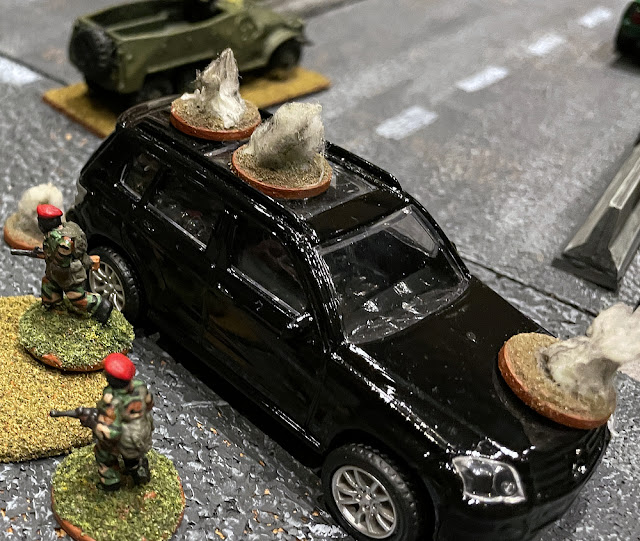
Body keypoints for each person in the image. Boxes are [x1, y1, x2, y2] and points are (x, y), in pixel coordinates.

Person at [37, 204, 112, 324]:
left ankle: (101, 305)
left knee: (78, 299)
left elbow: (62, 261)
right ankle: (53, 309)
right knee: (49, 287)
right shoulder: (53, 235)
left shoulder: (63, 240)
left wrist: (49, 256)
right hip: (55, 273)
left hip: (68, 275)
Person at [94, 353, 154, 490]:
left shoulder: (112, 400)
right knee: (133, 458)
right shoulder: (140, 387)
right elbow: (150, 403)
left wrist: (96, 426)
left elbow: (112, 432)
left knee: (103, 454)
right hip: (143, 430)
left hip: (126, 438)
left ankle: (110, 481)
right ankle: (139, 470)